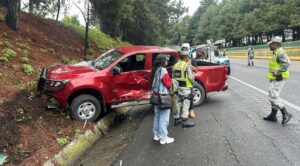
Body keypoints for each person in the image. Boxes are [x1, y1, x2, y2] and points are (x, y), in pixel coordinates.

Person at [263, 36, 292, 124]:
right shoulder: (276, 52)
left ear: (275, 44)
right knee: (274, 95)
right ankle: (273, 115)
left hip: (279, 78)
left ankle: (285, 113)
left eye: (271, 44)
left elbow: (286, 64)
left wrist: (278, 72)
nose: (269, 46)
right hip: (275, 78)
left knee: (272, 96)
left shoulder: (280, 53)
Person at [151, 54, 174, 145]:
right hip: (163, 97)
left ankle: (156, 135)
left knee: (157, 116)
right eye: (166, 59)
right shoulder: (163, 70)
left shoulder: (155, 70)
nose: (167, 61)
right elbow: (168, 84)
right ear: (163, 61)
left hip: (156, 97)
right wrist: (172, 81)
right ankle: (163, 138)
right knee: (164, 118)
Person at [172, 51, 195, 128]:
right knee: (186, 103)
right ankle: (185, 121)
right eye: (188, 57)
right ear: (185, 57)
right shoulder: (187, 65)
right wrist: (193, 81)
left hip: (177, 87)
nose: (188, 58)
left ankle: (177, 119)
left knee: (178, 103)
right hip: (185, 88)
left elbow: (173, 77)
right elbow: (191, 77)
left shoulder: (175, 65)